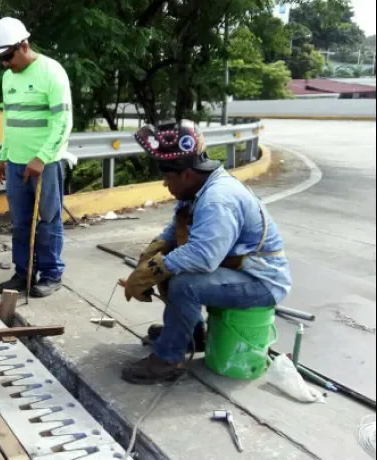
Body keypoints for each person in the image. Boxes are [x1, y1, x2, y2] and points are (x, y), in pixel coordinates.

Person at [118, 120, 291, 385]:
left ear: (186, 174)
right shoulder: (201, 187)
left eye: (167, 177)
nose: (165, 184)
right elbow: (176, 230)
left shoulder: (217, 199)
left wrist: (152, 271)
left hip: (261, 282)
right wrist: (149, 258)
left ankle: (169, 359)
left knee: (184, 284)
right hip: (240, 271)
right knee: (170, 266)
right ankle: (191, 335)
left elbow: (203, 256)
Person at [0, 16, 73, 298]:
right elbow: (11, 120)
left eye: (8, 56)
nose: (5, 63)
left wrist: (43, 157)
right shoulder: (9, 78)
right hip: (15, 163)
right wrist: (4, 156)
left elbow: (64, 122)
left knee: (48, 220)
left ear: (24, 45)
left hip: (44, 163)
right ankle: (23, 271)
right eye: (1, 58)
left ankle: (51, 274)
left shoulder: (51, 71)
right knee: (21, 222)